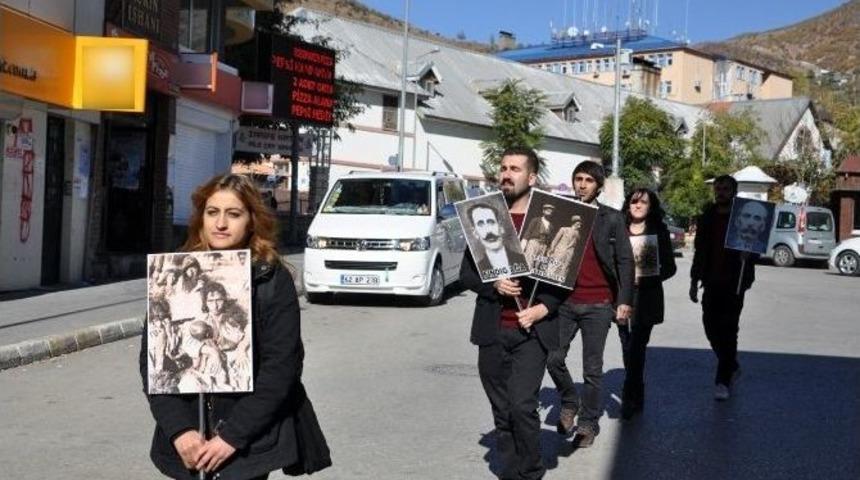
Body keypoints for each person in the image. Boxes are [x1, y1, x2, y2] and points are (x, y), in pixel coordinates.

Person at [140, 173, 331, 479]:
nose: (221, 224)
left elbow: (281, 366)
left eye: (234, 214)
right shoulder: (176, 274)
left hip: (246, 447)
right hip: (187, 445)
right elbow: (154, 363)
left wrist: (232, 437)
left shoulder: (270, 278)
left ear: (251, 220)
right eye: (212, 212)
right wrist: (180, 431)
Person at [460, 147, 568, 480]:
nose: (507, 174)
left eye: (515, 169)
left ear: (532, 177)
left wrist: (541, 308)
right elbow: (466, 273)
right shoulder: (486, 215)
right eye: (504, 168)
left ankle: (531, 472)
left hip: (530, 332)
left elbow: (563, 277)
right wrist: (494, 286)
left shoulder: (552, 220)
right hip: (491, 330)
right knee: (502, 410)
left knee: (522, 406)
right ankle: (511, 471)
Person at [546, 160, 634, 448]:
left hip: (599, 303)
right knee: (553, 357)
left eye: (588, 180)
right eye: (578, 179)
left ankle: (588, 424)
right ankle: (570, 400)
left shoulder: (611, 218)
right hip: (566, 301)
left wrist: (623, 301)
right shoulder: (564, 213)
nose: (582, 184)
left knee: (592, 369)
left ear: (598, 186)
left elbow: (625, 260)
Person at [690, 175, 756, 401]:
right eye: (718, 188)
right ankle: (731, 363)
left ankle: (722, 380)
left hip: (735, 283)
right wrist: (693, 281)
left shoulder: (744, 216)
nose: (721, 192)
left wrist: (750, 255)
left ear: (734, 191)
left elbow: (756, 243)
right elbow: (699, 250)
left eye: (726, 188)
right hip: (710, 281)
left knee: (729, 330)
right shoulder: (707, 216)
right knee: (710, 326)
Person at [617, 188, 677, 419]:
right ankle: (637, 389)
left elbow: (670, 268)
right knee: (626, 343)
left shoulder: (659, 232)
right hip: (622, 297)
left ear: (651, 207)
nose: (638, 205)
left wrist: (650, 274)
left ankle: (629, 395)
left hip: (647, 299)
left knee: (637, 347)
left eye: (643, 202)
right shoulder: (619, 229)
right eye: (634, 201)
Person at [466, 202, 529, 279]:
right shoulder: (477, 268)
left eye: (491, 222)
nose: (488, 231)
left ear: (501, 228)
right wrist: (494, 284)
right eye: (481, 224)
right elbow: (465, 278)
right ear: (475, 233)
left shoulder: (523, 259)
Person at [545, 214, 584, 283]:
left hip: (569, 253)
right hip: (559, 251)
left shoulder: (578, 234)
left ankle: (558, 283)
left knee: (564, 268)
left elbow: (576, 243)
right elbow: (555, 240)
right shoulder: (564, 229)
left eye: (580, 223)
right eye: (578, 222)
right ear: (575, 223)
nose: (580, 224)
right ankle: (547, 280)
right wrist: (551, 249)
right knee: (553, 267)